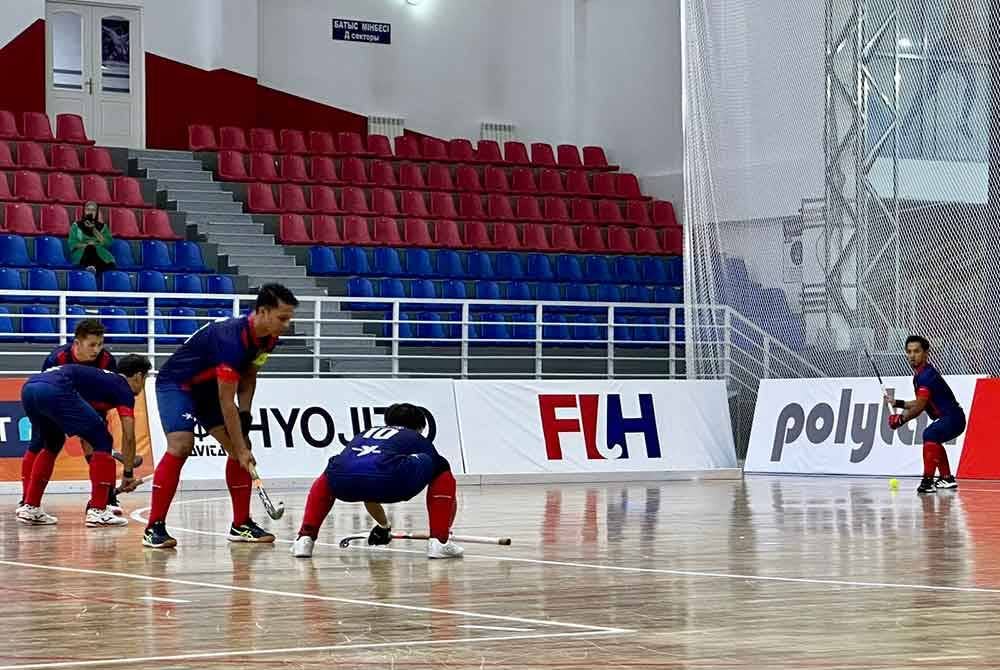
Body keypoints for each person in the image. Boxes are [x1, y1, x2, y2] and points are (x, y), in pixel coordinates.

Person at [143, 283, 298, 549]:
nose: (287, 325)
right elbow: (227, 402)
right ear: (262, 311)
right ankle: (153, 527)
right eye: (282, 318)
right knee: (181, 444)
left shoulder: (269, 339)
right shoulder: (230, 339)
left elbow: (249, 375)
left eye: (289, 318)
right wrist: (239, 444)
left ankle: (241, 524)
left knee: (241, 449)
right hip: (178, 384)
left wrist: (246, 417)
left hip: (209, 387)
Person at [290, 402, 463, 560]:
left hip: (344, 484)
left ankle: (305, 538)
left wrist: (384, 526)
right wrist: (444, 528)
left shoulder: (367, 433)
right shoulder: (415, 437)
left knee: (334, 469)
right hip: (392, 481)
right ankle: (440, 541)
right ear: (419, 427)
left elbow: (368, 487)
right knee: (440, 465)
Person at [16, 355, 152, 527]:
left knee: (52, 442)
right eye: (145, 379)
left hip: (30, 388)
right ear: (139, 376)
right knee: (103, 440)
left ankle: (31, 507)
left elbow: (88, 433)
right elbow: (129, 435)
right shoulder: (122, 388)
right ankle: (98, 511)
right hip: (55, 389)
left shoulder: (100, 383)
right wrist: (128, 474)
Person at [885, 335, 966, 494]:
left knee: (930, 434)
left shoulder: (926, 376)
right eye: (908, 352)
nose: (912, 355)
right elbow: (920, 402)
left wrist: (900, 419)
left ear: (926, 353)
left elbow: (919, 407)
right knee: (934, 438)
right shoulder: (920, 375)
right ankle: (946, 478)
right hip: (952, 418)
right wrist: (898, 403)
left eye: (916, 351)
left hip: (953, 418)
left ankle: (927, 481)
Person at [69, 201, 115, 274]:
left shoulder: (103, 227)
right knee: (90, 248)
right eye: (88, 209)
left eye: (93, 210)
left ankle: (93, 269)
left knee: (111, 263)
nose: (90, 212)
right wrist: (86, 245)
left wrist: (93, 229)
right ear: (84, 211)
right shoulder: (76, 226)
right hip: (82, 252)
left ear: (96, 212)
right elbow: (72, 243)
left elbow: (107, 243)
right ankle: (94, 268)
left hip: (99, 252)